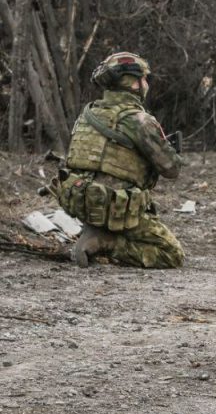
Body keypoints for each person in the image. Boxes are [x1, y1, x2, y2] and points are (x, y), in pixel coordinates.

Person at [59, 52, 185, 269]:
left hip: (83, 201)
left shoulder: (88, 113)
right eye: (144, 79)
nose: (146, 84)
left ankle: (97, 230)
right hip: (115, 206)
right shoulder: (139, 120)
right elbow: (171, 169)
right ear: (134, 83)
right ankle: (106, 241)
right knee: (171, 253)